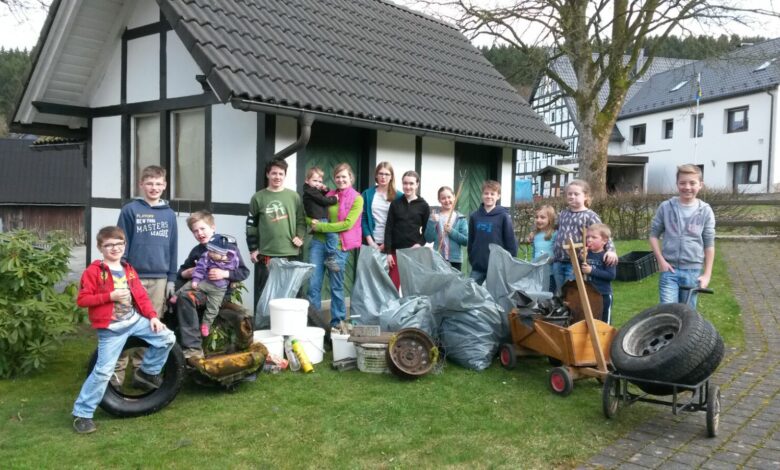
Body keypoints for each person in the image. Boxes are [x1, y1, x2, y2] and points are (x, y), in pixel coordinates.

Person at [72, 226, 175, 434]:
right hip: (111, 329)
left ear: (124, 246)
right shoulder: (94, 271)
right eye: (109, 245)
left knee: (167, 337)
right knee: (102, 372)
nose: (115, 248)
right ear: (101, 247)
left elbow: (142, 296)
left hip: (134, 321)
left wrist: (153, 317)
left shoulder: (128, 269)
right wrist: (109, 297)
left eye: (119, 244)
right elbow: (82, 299)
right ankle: (82, 414)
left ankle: (148, 372)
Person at [115, 165, 177, 385]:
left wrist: (171, 278)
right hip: (133, 276)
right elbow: (121, 244)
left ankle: (142, 371)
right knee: (123, 321)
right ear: (141, 184)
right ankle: (116, 374)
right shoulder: (130, 210)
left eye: (158, 184)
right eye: (149, 183)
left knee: (152, 323)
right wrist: (121, 274)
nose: (154, 187)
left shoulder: (169, 214)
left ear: (165, 186)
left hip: (159, 278)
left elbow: (173, 247)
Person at [176, 211, 250, 360]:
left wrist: (225, 274)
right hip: (201, 290)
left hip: (220, 293)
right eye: (195, 231)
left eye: (202, 229)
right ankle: (192, 348)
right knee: (183, 295)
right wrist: (187, 273)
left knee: (185, 297)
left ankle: (193, 348)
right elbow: (181, 271)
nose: (199, 233)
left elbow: (244, 272)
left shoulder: (229, 248)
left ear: (213, 227)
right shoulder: (196, 251)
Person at [649, 164, 715, 307]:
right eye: (682, 183)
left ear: (700, 185)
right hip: (669, 270)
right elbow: (653, 235)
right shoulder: (666, 207)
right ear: (677, 184)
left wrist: (707, 274)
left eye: (692, 183)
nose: (687, 187)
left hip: (693, 271)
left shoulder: (705, 211)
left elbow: (709, 244)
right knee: (668, 311)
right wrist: (661, 261)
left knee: (688, 315)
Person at [308, 163, 364, 327]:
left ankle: (337, 325)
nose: (340, 180)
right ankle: (314, 325)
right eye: (337, 177)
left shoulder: (357, 198)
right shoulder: (328, 194)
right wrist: (311, 222)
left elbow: (347, 224)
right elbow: (311, 213)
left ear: (350, 178)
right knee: (313, 286)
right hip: (319, 243)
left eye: (344, 176)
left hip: (339, 247)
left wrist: (322, 226)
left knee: (336, 288)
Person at [246, 159, 306, 299]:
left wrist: (300, 236)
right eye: (274, 173)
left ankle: (291, 321)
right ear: (268, 174)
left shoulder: (294, 197)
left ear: (285, 175)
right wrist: (253, 248)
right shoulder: (258, 197)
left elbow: (301, 220)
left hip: (290, 252)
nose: (277, 177)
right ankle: (268, 322)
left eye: (281, 173)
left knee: (293, 293)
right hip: (266, 254)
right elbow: (251, 225)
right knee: (266, 294)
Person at [552, 179, 618, 293]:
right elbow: (554, 229)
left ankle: (574, 311)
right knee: (560, 294)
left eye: (576, 194)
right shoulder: (563, 214)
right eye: (569, 194)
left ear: (586, 196)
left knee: (572, 293)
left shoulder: (590, 216)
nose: (572, 196)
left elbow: (603, 234)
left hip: (575, 263)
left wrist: (611, 250)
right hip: (558, 261)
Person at [176, 238, 239, 337]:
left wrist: (229, 276)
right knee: (190, 286)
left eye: (213, 252)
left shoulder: (233, 258)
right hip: (205, 282)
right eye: (209, 250)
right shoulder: (206, 256)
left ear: (222, 254)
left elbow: (239, 272)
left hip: (220, 288)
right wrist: (195, 280)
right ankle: (176, 296)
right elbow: (199, 269)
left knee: (213, 308)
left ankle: (206, 325)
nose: (210, 253)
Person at [385, 170, 430, 290]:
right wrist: (389, 252)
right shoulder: (395, 204)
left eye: (411, 183)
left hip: (413, 253)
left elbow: (427, 231)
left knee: (412, 286)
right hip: (395, 252)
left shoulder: (424, 206)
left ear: (417, 184)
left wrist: (419, 243)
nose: (408, 186)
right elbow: (388, 228)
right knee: (393, 286)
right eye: (405, 183)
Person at [467, 180, 517, 285]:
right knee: (472, 293)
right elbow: (471, 240)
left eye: (492, 194)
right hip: (478, 266)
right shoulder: (474, 216)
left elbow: (510, 242)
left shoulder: (503, 216)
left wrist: (510, 262)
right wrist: (472, 257)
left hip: (497, 267)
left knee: (496, 296)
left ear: (498, 196)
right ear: (482, 195)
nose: (489, 196)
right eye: (486, 193)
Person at [302, 166, 340, 272]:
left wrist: (325, 189)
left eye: (319, 181)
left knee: (331, 237)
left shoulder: (313, 190)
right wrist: (334, 199)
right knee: (333, 236)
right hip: (319, 218)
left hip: (320, 218)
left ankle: (330, 257)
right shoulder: (310, 191)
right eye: (314, 180)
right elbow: (323, 200)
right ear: (307, 180)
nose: (317, 183)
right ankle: (330, 257)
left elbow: (321, 195)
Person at [424, 186, 468, 271]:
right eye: (443, 198)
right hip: (438, 258)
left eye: (449, 197)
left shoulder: (461, 218)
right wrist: (432, 222)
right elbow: (428, 239)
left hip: (455, 260)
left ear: (454, 197)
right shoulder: (434, 217)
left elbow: (465, 241)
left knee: (454, 284)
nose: (447, 200)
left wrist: (451, 231)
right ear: (439, 200)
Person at [580, 223, 617, 324]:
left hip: (603, 294)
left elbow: (611, 275)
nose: (589, 240)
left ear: (604, 241)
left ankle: (608, 339)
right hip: (589, 294)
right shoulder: (586, 254)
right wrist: (581, 258)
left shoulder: (607, 256)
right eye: (588, 237)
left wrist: (591, 271)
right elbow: (580, 271)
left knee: (605, 321)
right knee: (591, 320)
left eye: (594, 237)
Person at [361, 162, 402, 251]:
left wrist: (387, 242)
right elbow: (363, 218)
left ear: (391, 177)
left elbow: (400, 222)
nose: (383, 177)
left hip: (392, 243)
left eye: (387, 174)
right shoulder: (367, 194)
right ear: (376, 175)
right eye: (381, 173)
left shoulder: (399, 196)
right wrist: (370, 241)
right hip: (370, 242)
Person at [528, 205, 557, 291]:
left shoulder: (555, 234)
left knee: (548, 298)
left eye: (542, 217)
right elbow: (534, 253)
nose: (538, 220)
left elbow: (558, 254)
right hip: (537, 273)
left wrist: (551, 259)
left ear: (550, 220)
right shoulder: (535, 235)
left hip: (549, 274)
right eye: (536, 217)